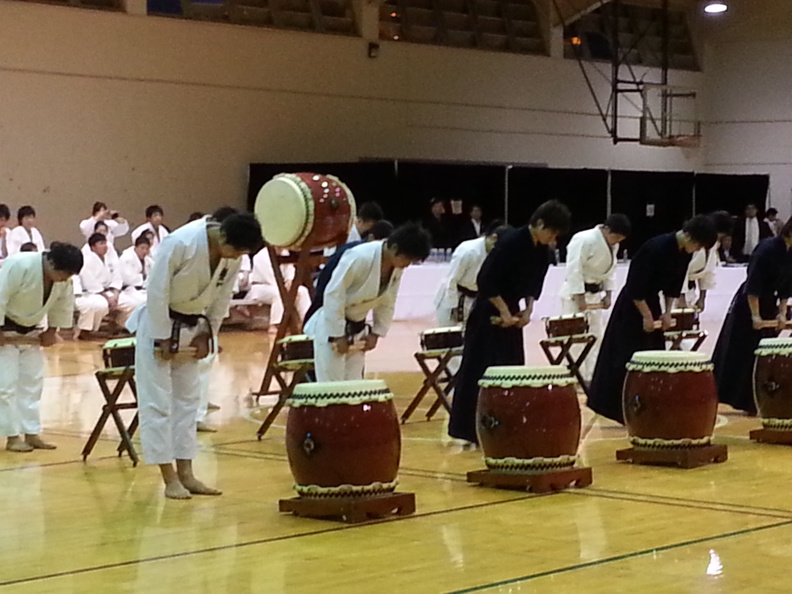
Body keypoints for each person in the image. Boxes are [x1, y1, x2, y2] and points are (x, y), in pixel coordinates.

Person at [126, 212, 262, 499]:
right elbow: (156, 291)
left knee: (189, 402)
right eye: (235, 250)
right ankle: (169, 478)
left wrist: (208, 333)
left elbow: (222, 297)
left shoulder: (232, 255)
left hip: (194, 325)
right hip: (158, 324)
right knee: (157, 403)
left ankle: (187, 473)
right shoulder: (180, 242)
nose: (237, 256)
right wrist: (162, 335)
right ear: (223, 236)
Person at [448, 200, 572, 445]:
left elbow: (533, 285)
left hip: (513, 311)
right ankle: (470, 429)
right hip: (488, 311)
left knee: (512, 366)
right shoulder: (511, 242)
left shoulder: (542, 251)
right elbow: (487, 280)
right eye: (551, 231)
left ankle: (507, 425)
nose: (552, 238)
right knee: (479, 368)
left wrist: (527, 311)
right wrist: (503, 312)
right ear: (538, 223)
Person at [587, 215, 718, 424]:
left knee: (653, 356)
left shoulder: (684, 253)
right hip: (632, 307)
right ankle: (618, 407)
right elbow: (635, 287)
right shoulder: (656, 247)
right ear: (691, 237)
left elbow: (673, 288)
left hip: (652, 304)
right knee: (625, 357)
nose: (698, 250)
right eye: (699, 245)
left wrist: (667, 313)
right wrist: (647, 316)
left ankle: (648, 405)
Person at [304, 223, 431, 382]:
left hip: (358, 328)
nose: (408, 264)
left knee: (354, 386)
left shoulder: (396, 268)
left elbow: (387, 301)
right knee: (331, 385)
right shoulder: (359, 256)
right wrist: (337, 335)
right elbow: (333, 294)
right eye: (408, 259)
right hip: (331, 325)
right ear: (394, 248)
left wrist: (376, 333)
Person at [0, 243, 83, 452]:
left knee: (32, 383)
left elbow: (62, 304)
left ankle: (31, 432)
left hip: (32, 332)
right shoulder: (20, 264)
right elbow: (0, 295)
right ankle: (12, 436)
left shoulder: (63, 280)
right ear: (52, 263)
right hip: (5, 329)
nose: (66, 279)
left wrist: (51, 330)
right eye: (65, 273)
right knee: (6, 385)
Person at [713, 220, 792, 415]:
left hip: (769, 304)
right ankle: (738, 398)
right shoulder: (766, 249)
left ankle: (759, 396)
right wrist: (755, 317)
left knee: (765, 356)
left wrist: (782, 313)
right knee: (742, 353)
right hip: (748, 305)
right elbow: (753, 287)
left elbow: (786, 287)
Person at [558, 213, 631, 381]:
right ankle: (573, 376)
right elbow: (573, 268)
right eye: (616, 236)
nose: (617, 241)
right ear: (606, 229)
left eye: (620, 239)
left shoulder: (613, 246)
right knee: (574, 337)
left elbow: (610, 271)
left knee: (596, 337)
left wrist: (608, 293)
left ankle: (592, 376)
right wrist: (580, 297)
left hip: (595, 294)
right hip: (575, 294)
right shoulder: (583, 239)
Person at [304, 220, 395, 325]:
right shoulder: (355, 253)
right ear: (371, 238)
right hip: (329, 293)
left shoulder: (382, 260)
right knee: (315, 326)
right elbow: (328, 282)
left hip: (353, 308)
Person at [434, 220, 510, 328]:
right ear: (493, 238)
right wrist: (453, 306)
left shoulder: (498, 254)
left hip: (475, 299)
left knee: (471, 339)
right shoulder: (468, 251)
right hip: (453, 296)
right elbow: (452, 279)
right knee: (449, 338)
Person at [74, 233, 128, 339]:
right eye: (101, 243)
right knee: (99, 304)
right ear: (93, 247)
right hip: (93, 292)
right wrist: (108, 298)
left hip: (111, 291)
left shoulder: (110, 259)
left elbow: (117, 276)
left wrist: (115, 293)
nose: (105, 246)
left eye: (105, 243)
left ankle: (123, 326)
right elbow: (91, 283)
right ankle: (85, 330)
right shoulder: (87, 260)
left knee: (131, 302)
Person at [677, 211, 734, 312]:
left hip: (690, 290)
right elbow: (680, 269)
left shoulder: (714, 245)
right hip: (672, 291)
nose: (719, 238)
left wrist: (702, 298)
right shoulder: (692, 242)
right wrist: (681, 298)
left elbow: (708, 272)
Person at [118, 235, 153, 316]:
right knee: (142, 302)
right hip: (129, 290)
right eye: (142, 248)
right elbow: (128, 279)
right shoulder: (126, 258)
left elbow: (154, 273)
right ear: (136, 247)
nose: (144, 251)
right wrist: (144, 278)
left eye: (147, 249)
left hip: (143, 289)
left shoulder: (148, 260)